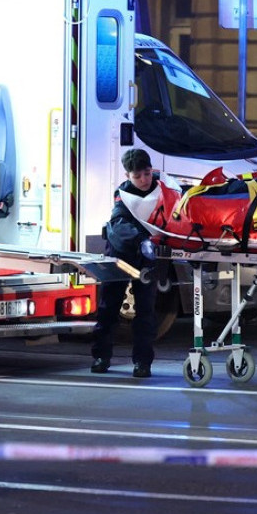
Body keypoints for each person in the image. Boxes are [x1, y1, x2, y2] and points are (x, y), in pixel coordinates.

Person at [91, 147, 167, 378]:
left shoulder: (163, 190)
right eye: (137, 176)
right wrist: (141, 240)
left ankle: (143, 363)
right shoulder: (123, 195)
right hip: (120, 254)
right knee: (108, 308)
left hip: (147, 256)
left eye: (147, 173)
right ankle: (101, 357)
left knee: (146, 312)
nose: (144, 180)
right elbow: (119, 224)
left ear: (152, 170)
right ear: (127, 176)